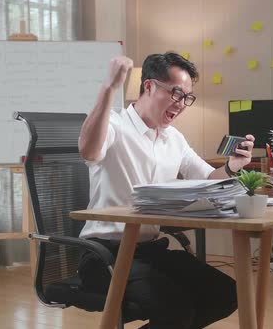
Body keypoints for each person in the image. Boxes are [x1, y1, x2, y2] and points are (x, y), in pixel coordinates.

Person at [77, 52, 255, 328]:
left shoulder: (174, 138)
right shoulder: (114, 125)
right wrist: (109, 88)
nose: (182, 104)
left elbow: (209, 177)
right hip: (105, 255)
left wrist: (233, 167)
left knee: (227, 294)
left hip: (150, 251)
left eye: (187, 97)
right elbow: (88, 150)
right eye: (176, 94)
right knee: (177, 307)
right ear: (148, 86)